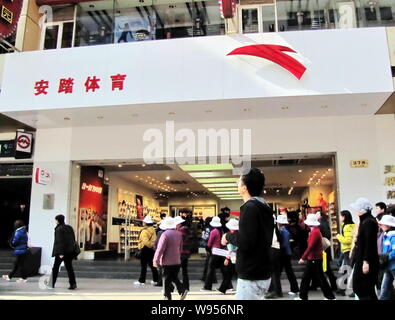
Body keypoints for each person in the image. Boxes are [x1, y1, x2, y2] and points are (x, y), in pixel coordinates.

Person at [222, 168, 274, 300]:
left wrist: (227, 237)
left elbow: (246, 242)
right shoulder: (264, 207)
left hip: (251, 273)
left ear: (245, 188)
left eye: (239, 181)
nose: (237, 183)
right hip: (262, 269)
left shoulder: (249, 208)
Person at [296, 214, 335, 300]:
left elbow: (310, 247)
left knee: (309, 278)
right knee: (318, 278)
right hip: (315, 258)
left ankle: (303, 297)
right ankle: (329, 296)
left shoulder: (314, 232)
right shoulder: (315, 231)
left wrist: (303, 257)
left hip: (314, 258)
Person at [350, 197, 380, 300]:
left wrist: (366, 261)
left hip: (366, 260)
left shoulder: (368, 222)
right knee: (365, 289)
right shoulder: (366, 221)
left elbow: (369, 243)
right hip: (363, 258)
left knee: (362, 288)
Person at [153, 217, 188, 300]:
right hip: (177, 261)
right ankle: (182, 290)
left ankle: (167, 296)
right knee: (174, 277)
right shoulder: (178, 234)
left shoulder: (165, 235)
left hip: (166, 261)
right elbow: (180, 248)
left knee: (166, 279)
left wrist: (155, 260)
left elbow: (160, 249)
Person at [266, 215, 299, 298]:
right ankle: (291, 289)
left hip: (283, 254)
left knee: (284, 272)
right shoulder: (284, 231)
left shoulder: (283, 231)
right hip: (285, 253)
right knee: (283, 272)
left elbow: (283, 244)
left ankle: (292, 289)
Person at [51, 214, 77, 290]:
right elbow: (73, 239)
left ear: (58, 220)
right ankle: (73, 283)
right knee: (69, 268)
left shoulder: (58, 229)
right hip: (69, 252)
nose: (55, 221)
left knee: (55, 268)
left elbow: (59, 242)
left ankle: (52, 283)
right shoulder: (69, 227)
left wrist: (61, 253)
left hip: (61, 252)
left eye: (56, 220)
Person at [201, 216, 226, 291]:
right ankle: (228, 285)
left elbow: (209, 243)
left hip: (214, 252)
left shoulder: (213, 231)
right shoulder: (221, 231)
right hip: (221, 251)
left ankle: (207, 286)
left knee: (210, 270)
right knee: (223, 270)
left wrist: (207, 249)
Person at [316, 211, 338, 292]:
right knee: (325, 268)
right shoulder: (321, 223)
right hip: (324, 249)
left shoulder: (322, 224)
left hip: (324, 249)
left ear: (321, 215)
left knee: (326, 268)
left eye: (317, 214)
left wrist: (322, 241)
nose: (316, 215)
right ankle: (329, 284)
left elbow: (327, 235)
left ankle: (333, 285)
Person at [335, 210, 356, 295]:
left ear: (344, 217)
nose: (339, 218)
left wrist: (339, 236)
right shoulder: (351, 225)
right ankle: (342, 289)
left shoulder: (346, 227)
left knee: (347, 271)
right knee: (344, 270)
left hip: (347, 251)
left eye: (340, 216)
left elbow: (347, 240)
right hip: (347, 251)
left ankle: (350, 291)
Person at [134, 215, 158, 286]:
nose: (143, 223)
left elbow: (145, 242)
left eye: (143, 222)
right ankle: (155, 279)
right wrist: (152, 246)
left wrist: (147, 246)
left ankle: (141, 281)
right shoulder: (153, 230)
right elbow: (154, 240)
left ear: (145, 223)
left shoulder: (144, 231)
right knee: (152, 265)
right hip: (151, 250)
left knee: (143, 266)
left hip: (145, 249)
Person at [217, 218, 239, 294]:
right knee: (234, 273)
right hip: (240, 256)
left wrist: (227, 258)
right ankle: (223, 288)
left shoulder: (227, 235)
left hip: (232, 256)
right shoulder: (241, 234)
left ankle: (223, 288)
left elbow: (228, 247)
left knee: (229, 273)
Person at [378, 215, 395, 300]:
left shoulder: (392, 236)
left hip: (392, 266)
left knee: (385, 288)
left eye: (382, 224)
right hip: (389, 266)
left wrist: (386, 257)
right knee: (385, 288)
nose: (380, 226)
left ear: (388, 226)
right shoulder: (386, 235)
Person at [176, 216, 193, 291]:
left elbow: (178, 243)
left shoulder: (181, 232)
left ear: (179, 224)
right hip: (185, 253)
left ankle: (182, 286)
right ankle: (186, 286)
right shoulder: (186, 230)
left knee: (176, 271)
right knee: (184, 271)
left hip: (181, 253)